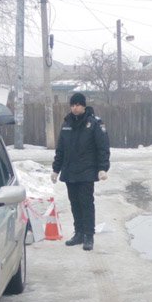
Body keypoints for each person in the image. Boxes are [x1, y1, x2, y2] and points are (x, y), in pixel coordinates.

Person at [52, 92, 111, 251]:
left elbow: (103, 147)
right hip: (70, 171)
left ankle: (88, 235)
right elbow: (61, 149)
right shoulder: (67, 124)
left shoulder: (93, 124)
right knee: (75, 203)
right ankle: (78, 233)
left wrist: (102, 168)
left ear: (83, 106)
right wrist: (56, 169)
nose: (74, 108)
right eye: (72, 105)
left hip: (87, 171)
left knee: (86, 203)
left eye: (77, 105)